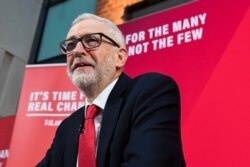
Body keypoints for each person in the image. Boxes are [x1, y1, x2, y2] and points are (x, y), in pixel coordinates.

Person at [37, 13, 185, 167]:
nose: (77, 51)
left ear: (119, 57)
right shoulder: (67, 127)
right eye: (71, 45)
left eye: (92, 40)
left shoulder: (151, 92)